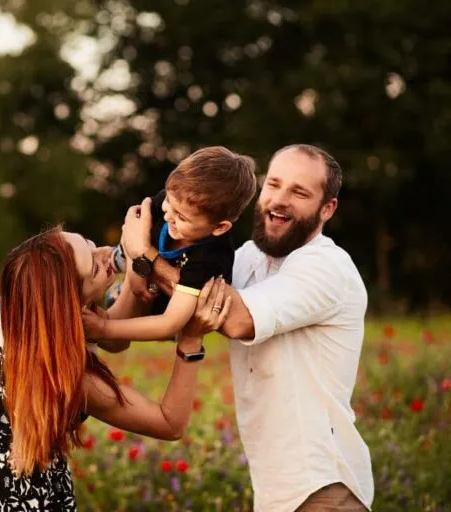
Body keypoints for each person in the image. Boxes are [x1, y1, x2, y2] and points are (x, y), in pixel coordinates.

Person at [121, 144, 374, 511]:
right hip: (275, 494)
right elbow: (180, 300)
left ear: (327, 208)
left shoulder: (326, 265)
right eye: (274, 185)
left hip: (323, 488)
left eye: (299, 192)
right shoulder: (246, 260)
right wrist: (131, 267)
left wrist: (146, 255)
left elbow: (235, 318)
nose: (280, 200)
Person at [0, 226, 231, 511]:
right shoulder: (70, 380)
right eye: (93, 266)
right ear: (68, 304)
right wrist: (190, 339)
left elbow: (108, 337)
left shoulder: (19, 303)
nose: (103, 253)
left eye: (89, 243)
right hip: (15, 497)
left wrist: (134, 277)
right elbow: (169, 423)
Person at [82, 146, 256, 345]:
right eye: (168, 202)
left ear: (219, 227)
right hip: (140, 263)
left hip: (161, 307)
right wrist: (134, 268)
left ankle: (117, 301)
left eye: (181, 217)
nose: (168, 216)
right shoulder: (176, 198)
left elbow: (170, 323)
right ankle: (117, 266)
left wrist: (104, 329)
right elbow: (133, 226)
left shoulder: (211, 260)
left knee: (117, 330)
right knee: (121, 253)